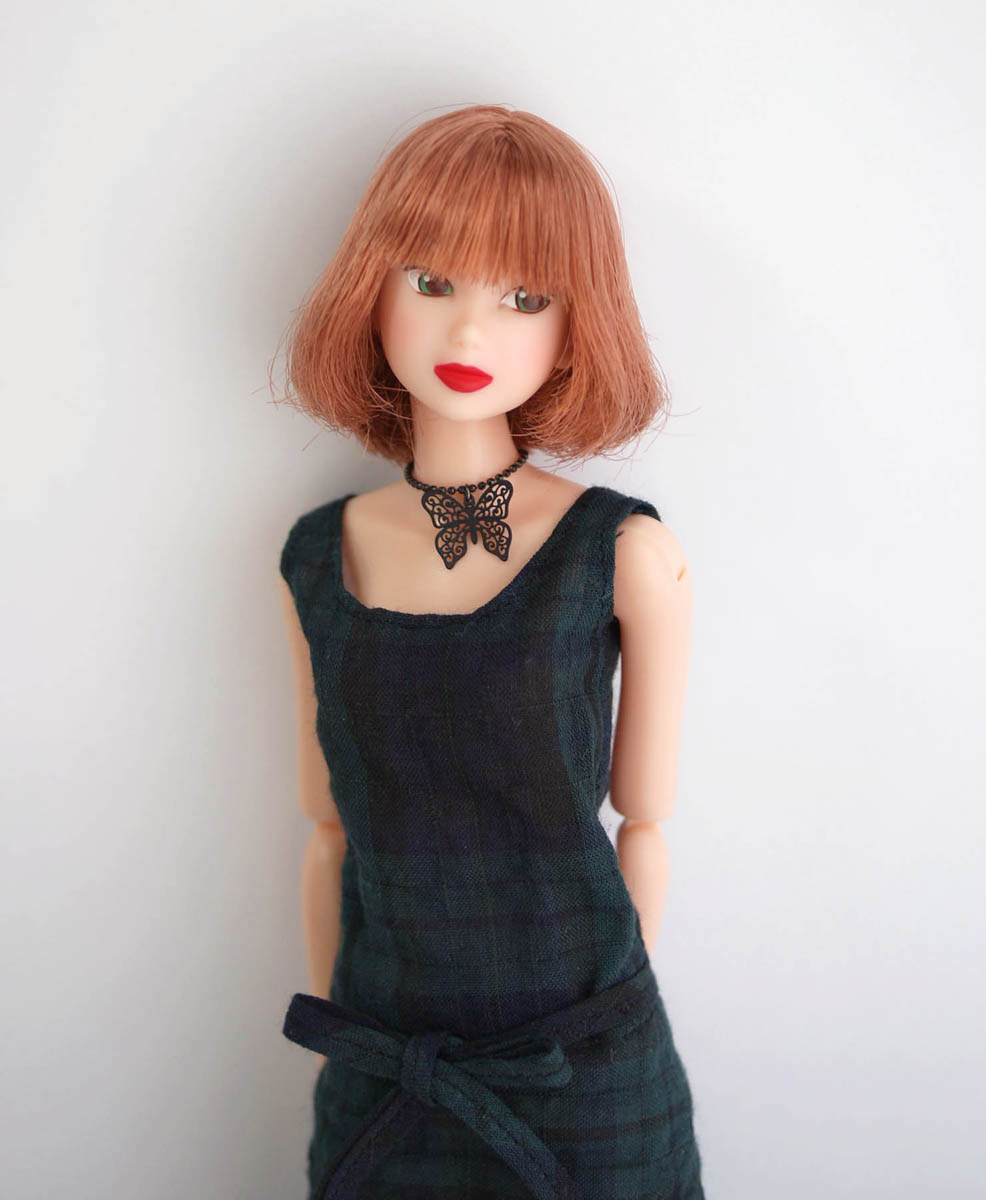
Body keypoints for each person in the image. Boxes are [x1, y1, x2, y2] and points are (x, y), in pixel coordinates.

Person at [274, 103, 704, 1200]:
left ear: (575, 324)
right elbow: (327, 830)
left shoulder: (622, 553)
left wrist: (606, 1028)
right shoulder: (319, 557)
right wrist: (341, 1043)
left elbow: (644, 822)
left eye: (524, 299)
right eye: (432, 283)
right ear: (370, 290)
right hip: (388, 1076)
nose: (470, 336)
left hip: (583, 1076)